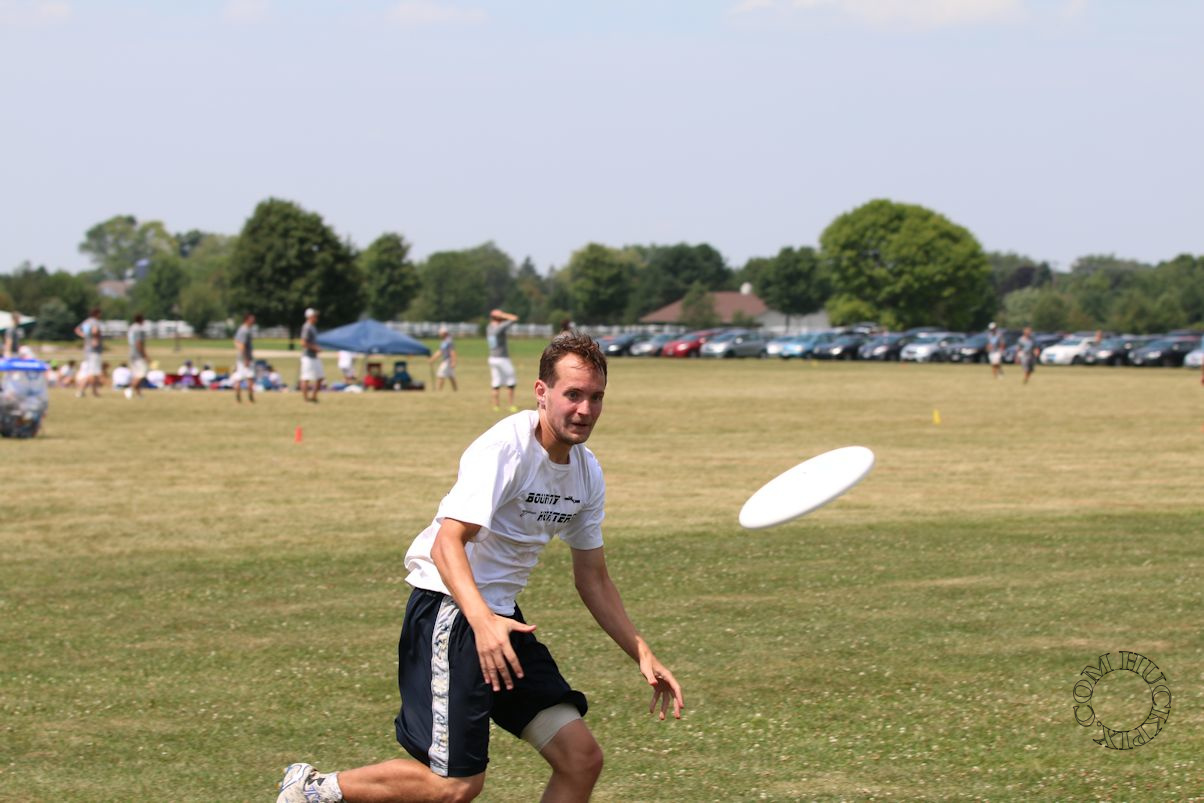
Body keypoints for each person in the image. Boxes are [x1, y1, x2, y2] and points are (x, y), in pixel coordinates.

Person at [277, 332, 684, 803]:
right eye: (573, 394)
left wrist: (642, 652)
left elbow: (592, 577)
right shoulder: (507, 448)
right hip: (450, 609)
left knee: (581, 758)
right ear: (541, 392)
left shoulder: (586, 472)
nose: (585, 409)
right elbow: (446, 544)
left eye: (596, 397)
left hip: (501, 619)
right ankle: (311, 790)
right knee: (454, 786)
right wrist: (482, 621)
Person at [486, 308, 519, 412]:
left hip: (492, 358)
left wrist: (498, 315)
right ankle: (511, 405)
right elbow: (515, 318)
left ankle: (496, 406)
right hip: (502, 358)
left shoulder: (489, 327)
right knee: (511, 381)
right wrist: (503, 315)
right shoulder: (500, 327)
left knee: (496, 382)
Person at [73, 307, 104, 398]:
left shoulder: (86, 322)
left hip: (87, 350)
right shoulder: (94, 322)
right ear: (97, 314)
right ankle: (81, 390)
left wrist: (85, 336)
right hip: (94, 350)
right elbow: (95, 331)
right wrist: (95, 340)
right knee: (93, 372)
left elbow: (77, 330)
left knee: (92, 372)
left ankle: (94, 391)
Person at [300, 307, 324, 403]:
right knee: (306, 378)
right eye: (315, 315)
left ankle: (314, 397)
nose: (316, 317)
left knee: (320, 377)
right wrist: (315, 348)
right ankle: (306, 399)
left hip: (314, 356)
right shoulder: (307, 327)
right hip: (308, 356)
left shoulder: (313, 327)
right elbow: (303, 342)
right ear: (310, 316)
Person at [233, 312, 256, 403]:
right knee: (249, 377)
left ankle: (238, 396)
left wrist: (240, 352)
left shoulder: (241, 329)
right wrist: (246, 358)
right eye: (252, 319)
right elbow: (242, 345)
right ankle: (251, 397)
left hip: (241, 356)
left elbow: (236, 341)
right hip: (246, 357)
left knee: (239, 376)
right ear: (247, 319)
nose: (253, 320)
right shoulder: (245, 330)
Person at [127, 314, 149, 399]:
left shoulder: (131, 328)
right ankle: (129, 388)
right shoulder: (139, 329)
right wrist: (144, 355)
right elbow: (138, 343)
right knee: (142, 374)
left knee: (136, 375)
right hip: (138, 355)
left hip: (131, 353)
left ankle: (139, 394)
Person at [429, 327, 458, 391]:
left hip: (448, 360)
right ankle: (455, 390)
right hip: (447, 360)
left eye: (440, 333)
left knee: (441, 375)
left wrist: (454, 361)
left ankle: (439, 391)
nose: (439, 334)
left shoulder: (448, 341)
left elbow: (452, 351)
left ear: (444, 333)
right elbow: (441, 351)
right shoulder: (444, 341)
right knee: (451, 376)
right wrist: (433, 358)